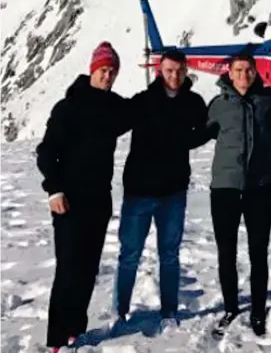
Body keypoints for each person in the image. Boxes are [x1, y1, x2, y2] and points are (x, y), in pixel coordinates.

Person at [36, 42, 126, 353]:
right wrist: (54, 189)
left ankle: (76, 330)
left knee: (89, 268)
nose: (108, 75)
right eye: (104, 70)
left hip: (99, 200)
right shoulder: (68, 107)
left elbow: (142, 111)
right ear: (92, 69)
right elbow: (47, 151)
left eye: (113, 71)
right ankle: (57, 340)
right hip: (69, 201)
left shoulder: (114, 107)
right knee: (69, 269)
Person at [112, 50, 208, 330]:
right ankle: (119, 311)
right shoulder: (143, 101)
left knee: (170, 254)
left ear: (186, 71)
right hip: (138, 192)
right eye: (169, 71)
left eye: (179, 70)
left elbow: (201, 132)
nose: (174, 76)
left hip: (173, 192)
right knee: (129, 255)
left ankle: (169, 310)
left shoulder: (194, 102)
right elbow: (112, 123)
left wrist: (189, 138)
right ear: (159, 71)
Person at [206, 54, 271, 338]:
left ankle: (258, 309)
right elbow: (195, 132)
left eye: (249, 70)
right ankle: (231, 307)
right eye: (238, 70)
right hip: (225, 188)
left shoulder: (269, 98)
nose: (244, 75)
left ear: (255, 73)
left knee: (258, 252)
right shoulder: (218, 106)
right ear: (229, 74)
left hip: (259, 187)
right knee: (226, 252)